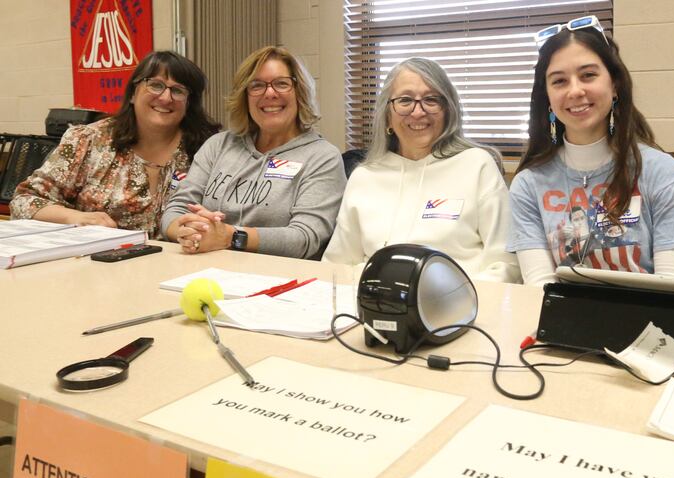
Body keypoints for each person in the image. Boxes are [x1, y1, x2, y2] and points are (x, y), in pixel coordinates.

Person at [507, 16, 674, 284]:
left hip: (650, 322)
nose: (575, 91)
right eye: (559, 81)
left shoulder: (663, 173)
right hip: (563, 321)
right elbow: (541, 290)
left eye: (588, 75)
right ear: (547, 96)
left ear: (614, 85)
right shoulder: (527, 185)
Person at [322, 57, 520, 283]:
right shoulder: (364, 177)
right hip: (374, 305)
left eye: (431, 99)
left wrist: (457, 298)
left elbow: (506, 264)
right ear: (387, 115)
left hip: (460, 308)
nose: (418, 112)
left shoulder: (478, 166)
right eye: (405, 100)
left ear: (448, 110)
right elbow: (336, 264)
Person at [161, 46, 346, 258]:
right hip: (203, 270)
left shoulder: (322, 157)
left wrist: (230, 236)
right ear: (245, 97)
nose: (270, 93)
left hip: (277, 280)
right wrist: (189, 232)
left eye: (281, 84)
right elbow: (175, 209)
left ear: (300, 92)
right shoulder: (218, 145)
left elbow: (304, 239)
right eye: (257, 86)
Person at [10, 51, 220, 237]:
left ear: (189, 103)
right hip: (98, 268)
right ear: (132, 94)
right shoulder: (88, 140)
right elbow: (24, 201)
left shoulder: (209, 149)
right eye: (155, 85)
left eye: (178, 90)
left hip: (183, 268)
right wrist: (77, 218)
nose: (165, 97)